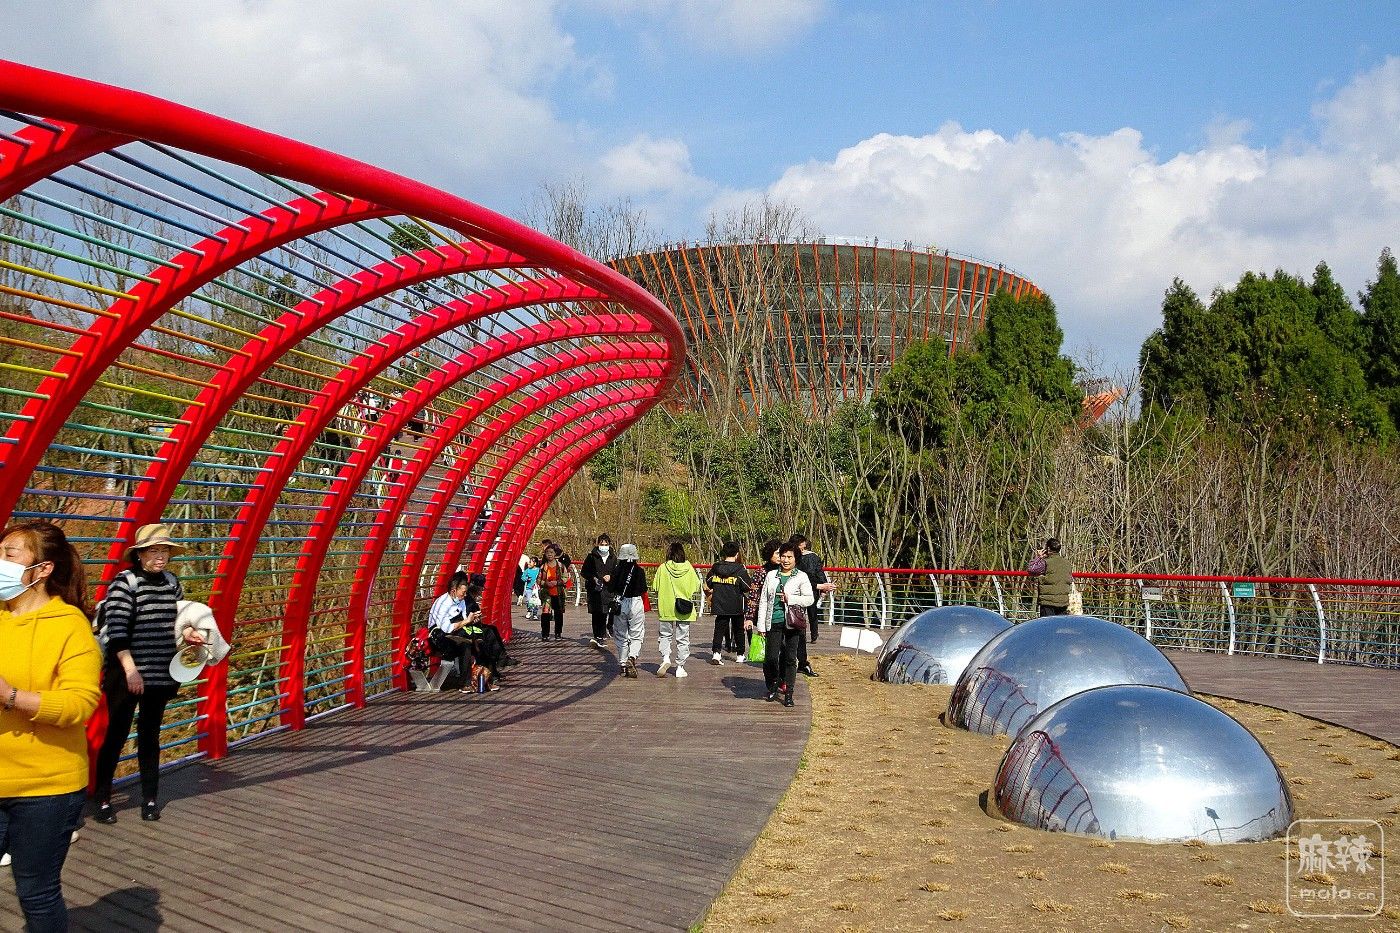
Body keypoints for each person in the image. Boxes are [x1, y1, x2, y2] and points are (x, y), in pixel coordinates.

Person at [0, 520, 101, 932]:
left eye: (9, 555)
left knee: (36, 891)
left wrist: (11, 696)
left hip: (46, 787)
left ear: (42, 569)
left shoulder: (69, 625)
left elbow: (80, 703)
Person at [93, 523, 206, 824]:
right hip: (126, 672)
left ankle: (150, 799)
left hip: (160, 671)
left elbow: (180, 622)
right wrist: (131, 670)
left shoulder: (172, 582)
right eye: (154, 551)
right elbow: (117, 631)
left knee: (150, 735)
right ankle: (102, 798)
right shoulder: (125, 583)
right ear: (139, 554)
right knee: (117, 734)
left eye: (165, 551)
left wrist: (191, 634)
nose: (160, 556)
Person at [755, 542, 815, 708]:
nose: (786, 560)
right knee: (771, 657)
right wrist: (761, 626)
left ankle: (789, 693)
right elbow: (764, 601)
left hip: (793, 622)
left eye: (790, 557)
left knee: (790, 658)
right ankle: (774, 682)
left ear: (796, 559)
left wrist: (791, 599)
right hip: (773, 621)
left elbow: (809, 599)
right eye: (783, 556)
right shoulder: (771, 575)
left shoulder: (801, 576)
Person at [791, 533, 835, 678]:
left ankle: (800, 661)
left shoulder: (799, 560)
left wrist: (822, 586)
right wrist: (822, 586)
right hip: (805, 593)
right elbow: (818, 573)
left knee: (801, 624)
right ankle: (813, 636)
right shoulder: (811, 558)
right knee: (811, 614)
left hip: (805, 593)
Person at [654, 543, 701, 678]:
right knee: (683, 638)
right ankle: (680, 666)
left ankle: (666, 658)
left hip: (666, 607)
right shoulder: (689, 568)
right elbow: (696, 587)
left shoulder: (663, 568)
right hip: (684, 608)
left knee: (665, 635)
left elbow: (656, 587)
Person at [705, 542, 751, 665]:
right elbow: (747, 586)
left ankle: (716, 653)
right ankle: (740, 655)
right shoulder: (740, 569)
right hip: (736, 604)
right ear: (737, 554)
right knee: (738, 630)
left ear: (723, 553)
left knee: (719, 629)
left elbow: (708, 582)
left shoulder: (716, 568)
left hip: (720, 604)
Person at [609, 544, 648, 678]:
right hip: (636, 602)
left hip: (620, 602)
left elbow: (611, 588)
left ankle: (623, 664)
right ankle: (632, 657)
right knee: (637, 633)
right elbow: (643, 589)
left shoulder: (616, 570)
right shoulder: (639, 571)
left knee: (621, 634)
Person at [743, 540, 782, 662]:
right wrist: (749, 617)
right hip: (765, 613)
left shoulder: (786, 571)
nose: (780, 557)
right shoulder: (761, 572)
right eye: (777, 553)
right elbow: (753, 595)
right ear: (769, 554)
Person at [580, 534, 617, 651]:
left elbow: (617, 572)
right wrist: (594, 578)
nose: (604, 546)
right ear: (598, 544)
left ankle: (603, 633)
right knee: (596, 612)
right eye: (602, 544)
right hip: (595, 589)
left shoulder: (613, 557)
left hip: (608, 589)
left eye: (606, 544)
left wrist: (611, 577)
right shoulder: (591, 557)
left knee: (605, 611)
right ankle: (598, 636)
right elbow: (584, 572)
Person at [1027, 537, 1073, 616]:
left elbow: (1031, 569)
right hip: (1063, 602)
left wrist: (1039, 557)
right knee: (1060, 623)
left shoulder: (1046, 563)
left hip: (1048, 603)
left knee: (1047, 623)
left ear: (1048, 549)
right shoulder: (1067, 563)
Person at [537, 545, 569, 640]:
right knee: (545, 613)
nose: (549, 554)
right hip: (547, 593)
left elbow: (565, 577)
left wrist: (557, 582)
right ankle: (545, 634)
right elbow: (538, 580)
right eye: (547, 552)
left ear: (555, 554)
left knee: (558, 613)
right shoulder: (543, 567)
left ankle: (558, 633)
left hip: (558, 592)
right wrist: (546, 583)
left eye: (551, 552)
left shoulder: (561, 566)